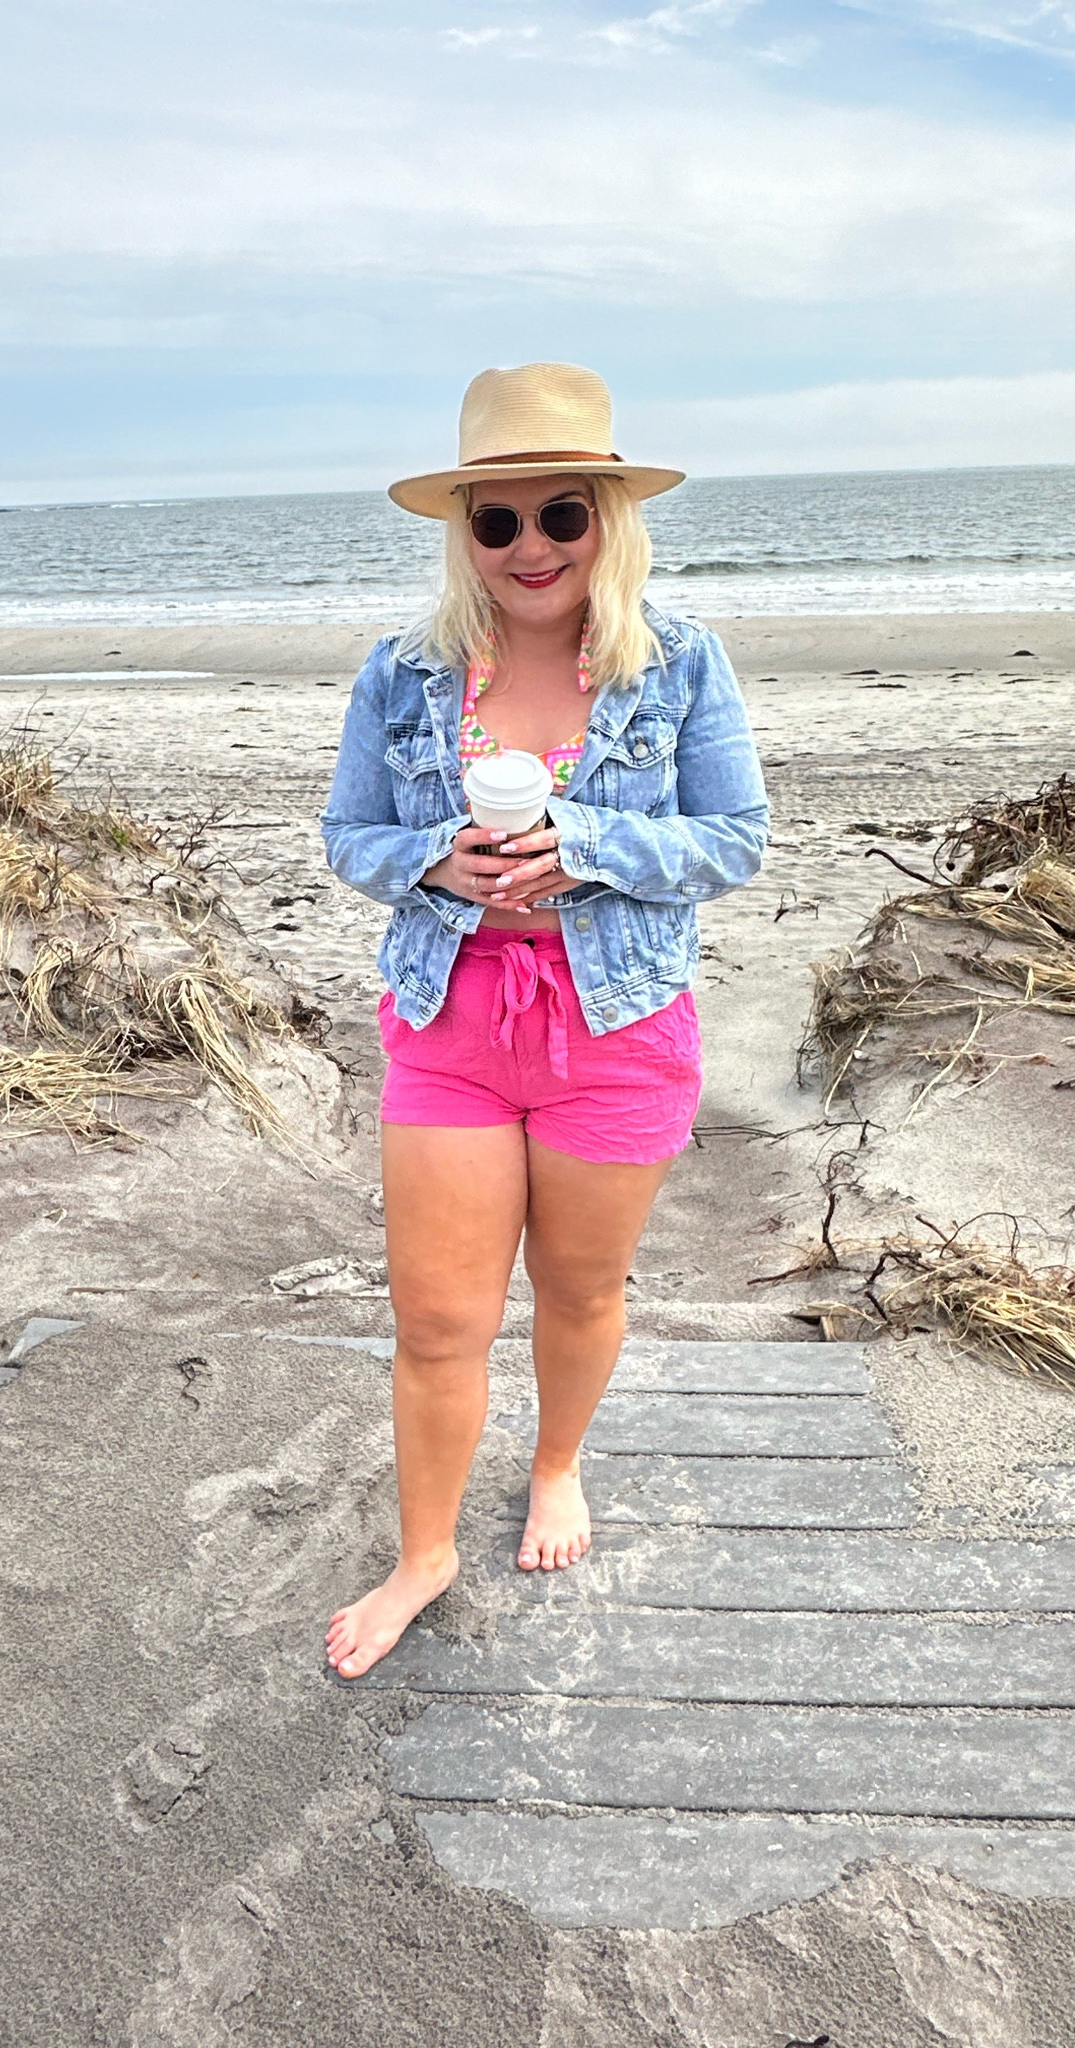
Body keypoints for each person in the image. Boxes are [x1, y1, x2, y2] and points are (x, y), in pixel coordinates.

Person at [319, 362, 769, 1678]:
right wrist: (430, 864)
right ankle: (426, 1552)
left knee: (580, 1289)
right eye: (496, 521)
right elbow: (347, 834)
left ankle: (558, 1464)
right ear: (462, 533)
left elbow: (733, 840)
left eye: (559, 515)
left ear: (606, 521)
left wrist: (583, 845)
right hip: (450, 1025)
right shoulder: (402, 675)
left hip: (618, 1026)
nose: (529, 547)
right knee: (439, 1320)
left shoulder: (679, 663)